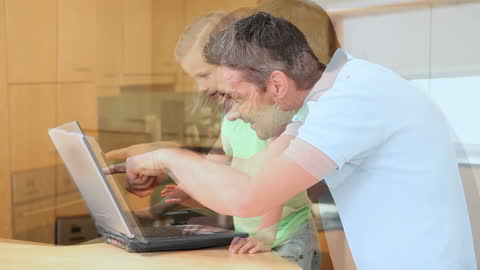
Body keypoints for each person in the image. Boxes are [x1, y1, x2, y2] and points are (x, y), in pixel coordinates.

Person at [111, 11, 477, 270]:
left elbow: (250, 195)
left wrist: (165, 157)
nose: (233, 114)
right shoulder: (325, 100)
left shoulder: (350, 102)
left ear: (276, 85)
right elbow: (254, 174)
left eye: (235, 98)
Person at [105, 9, 320, 270]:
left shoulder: (276, 113)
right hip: (250, 234)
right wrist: (174, 185)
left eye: (204, 75)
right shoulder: (233, 114)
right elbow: (215, 165)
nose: (201, 88)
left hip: (282, 237)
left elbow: (273, 181)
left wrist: (265, 233)